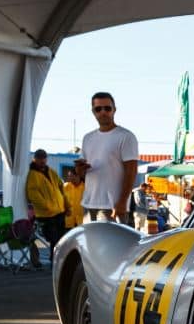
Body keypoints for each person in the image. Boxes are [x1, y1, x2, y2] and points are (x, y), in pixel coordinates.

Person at [78, 92, 138, 224]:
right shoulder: (87, 138)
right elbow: (82, 174)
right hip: (89, 204)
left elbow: (132, 171)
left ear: (114, 110)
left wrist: (122, 202)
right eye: (98, 109)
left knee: (113, 245)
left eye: (107, 108)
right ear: (93, 112)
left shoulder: (126, 136)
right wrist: (80, 169)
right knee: (90, 245)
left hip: (112, 206)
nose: (103, 112)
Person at [25, 148, 68, 267]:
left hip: (59, 211)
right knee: (53, 238)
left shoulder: (51, 171)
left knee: (60, 238)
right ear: (35, 159)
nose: (42, 161)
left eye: (44, 158)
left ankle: (56, 260)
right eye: (39, 158)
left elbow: (61, 186)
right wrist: (47, 206)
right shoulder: (33, 174)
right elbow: (33, 194)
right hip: (46, 214)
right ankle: (54, 260)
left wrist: (66, 204)